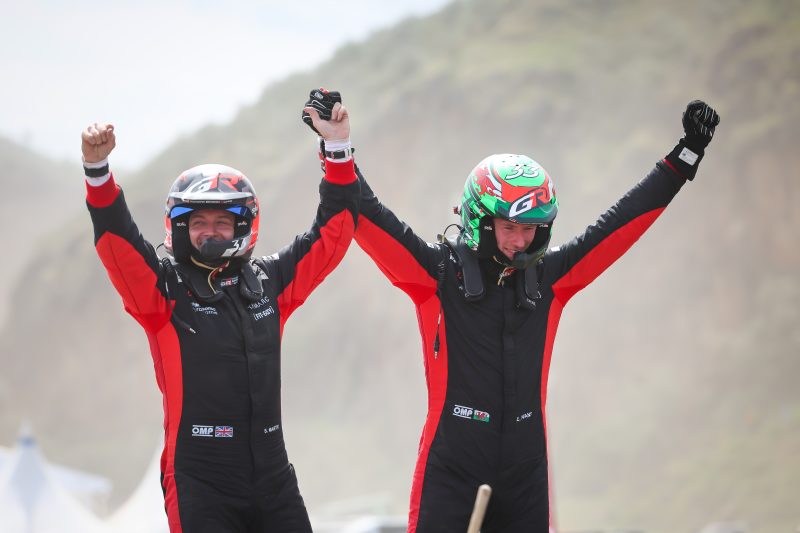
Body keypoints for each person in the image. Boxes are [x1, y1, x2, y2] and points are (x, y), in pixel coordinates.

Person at [303, 93, 719, 532]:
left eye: (530, 230)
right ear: (480, 220)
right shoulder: (436, 276)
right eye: (509, 227)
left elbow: (621, 223)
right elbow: (367, 216)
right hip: (452, 470)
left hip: (525, 474)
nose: (520, 241)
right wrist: (337, 145)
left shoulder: (551, 279)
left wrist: (685, 156)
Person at [82, 99, 357, 533]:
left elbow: (332, 235)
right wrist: (98, 172)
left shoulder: (270, 281)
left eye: (221, 222)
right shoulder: (163, 292)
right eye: (198, 222)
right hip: (200, 481)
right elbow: (119, 245)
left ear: (243, 227)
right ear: (180, 228)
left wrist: (337, 148)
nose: (209, 231)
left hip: (274, 476)